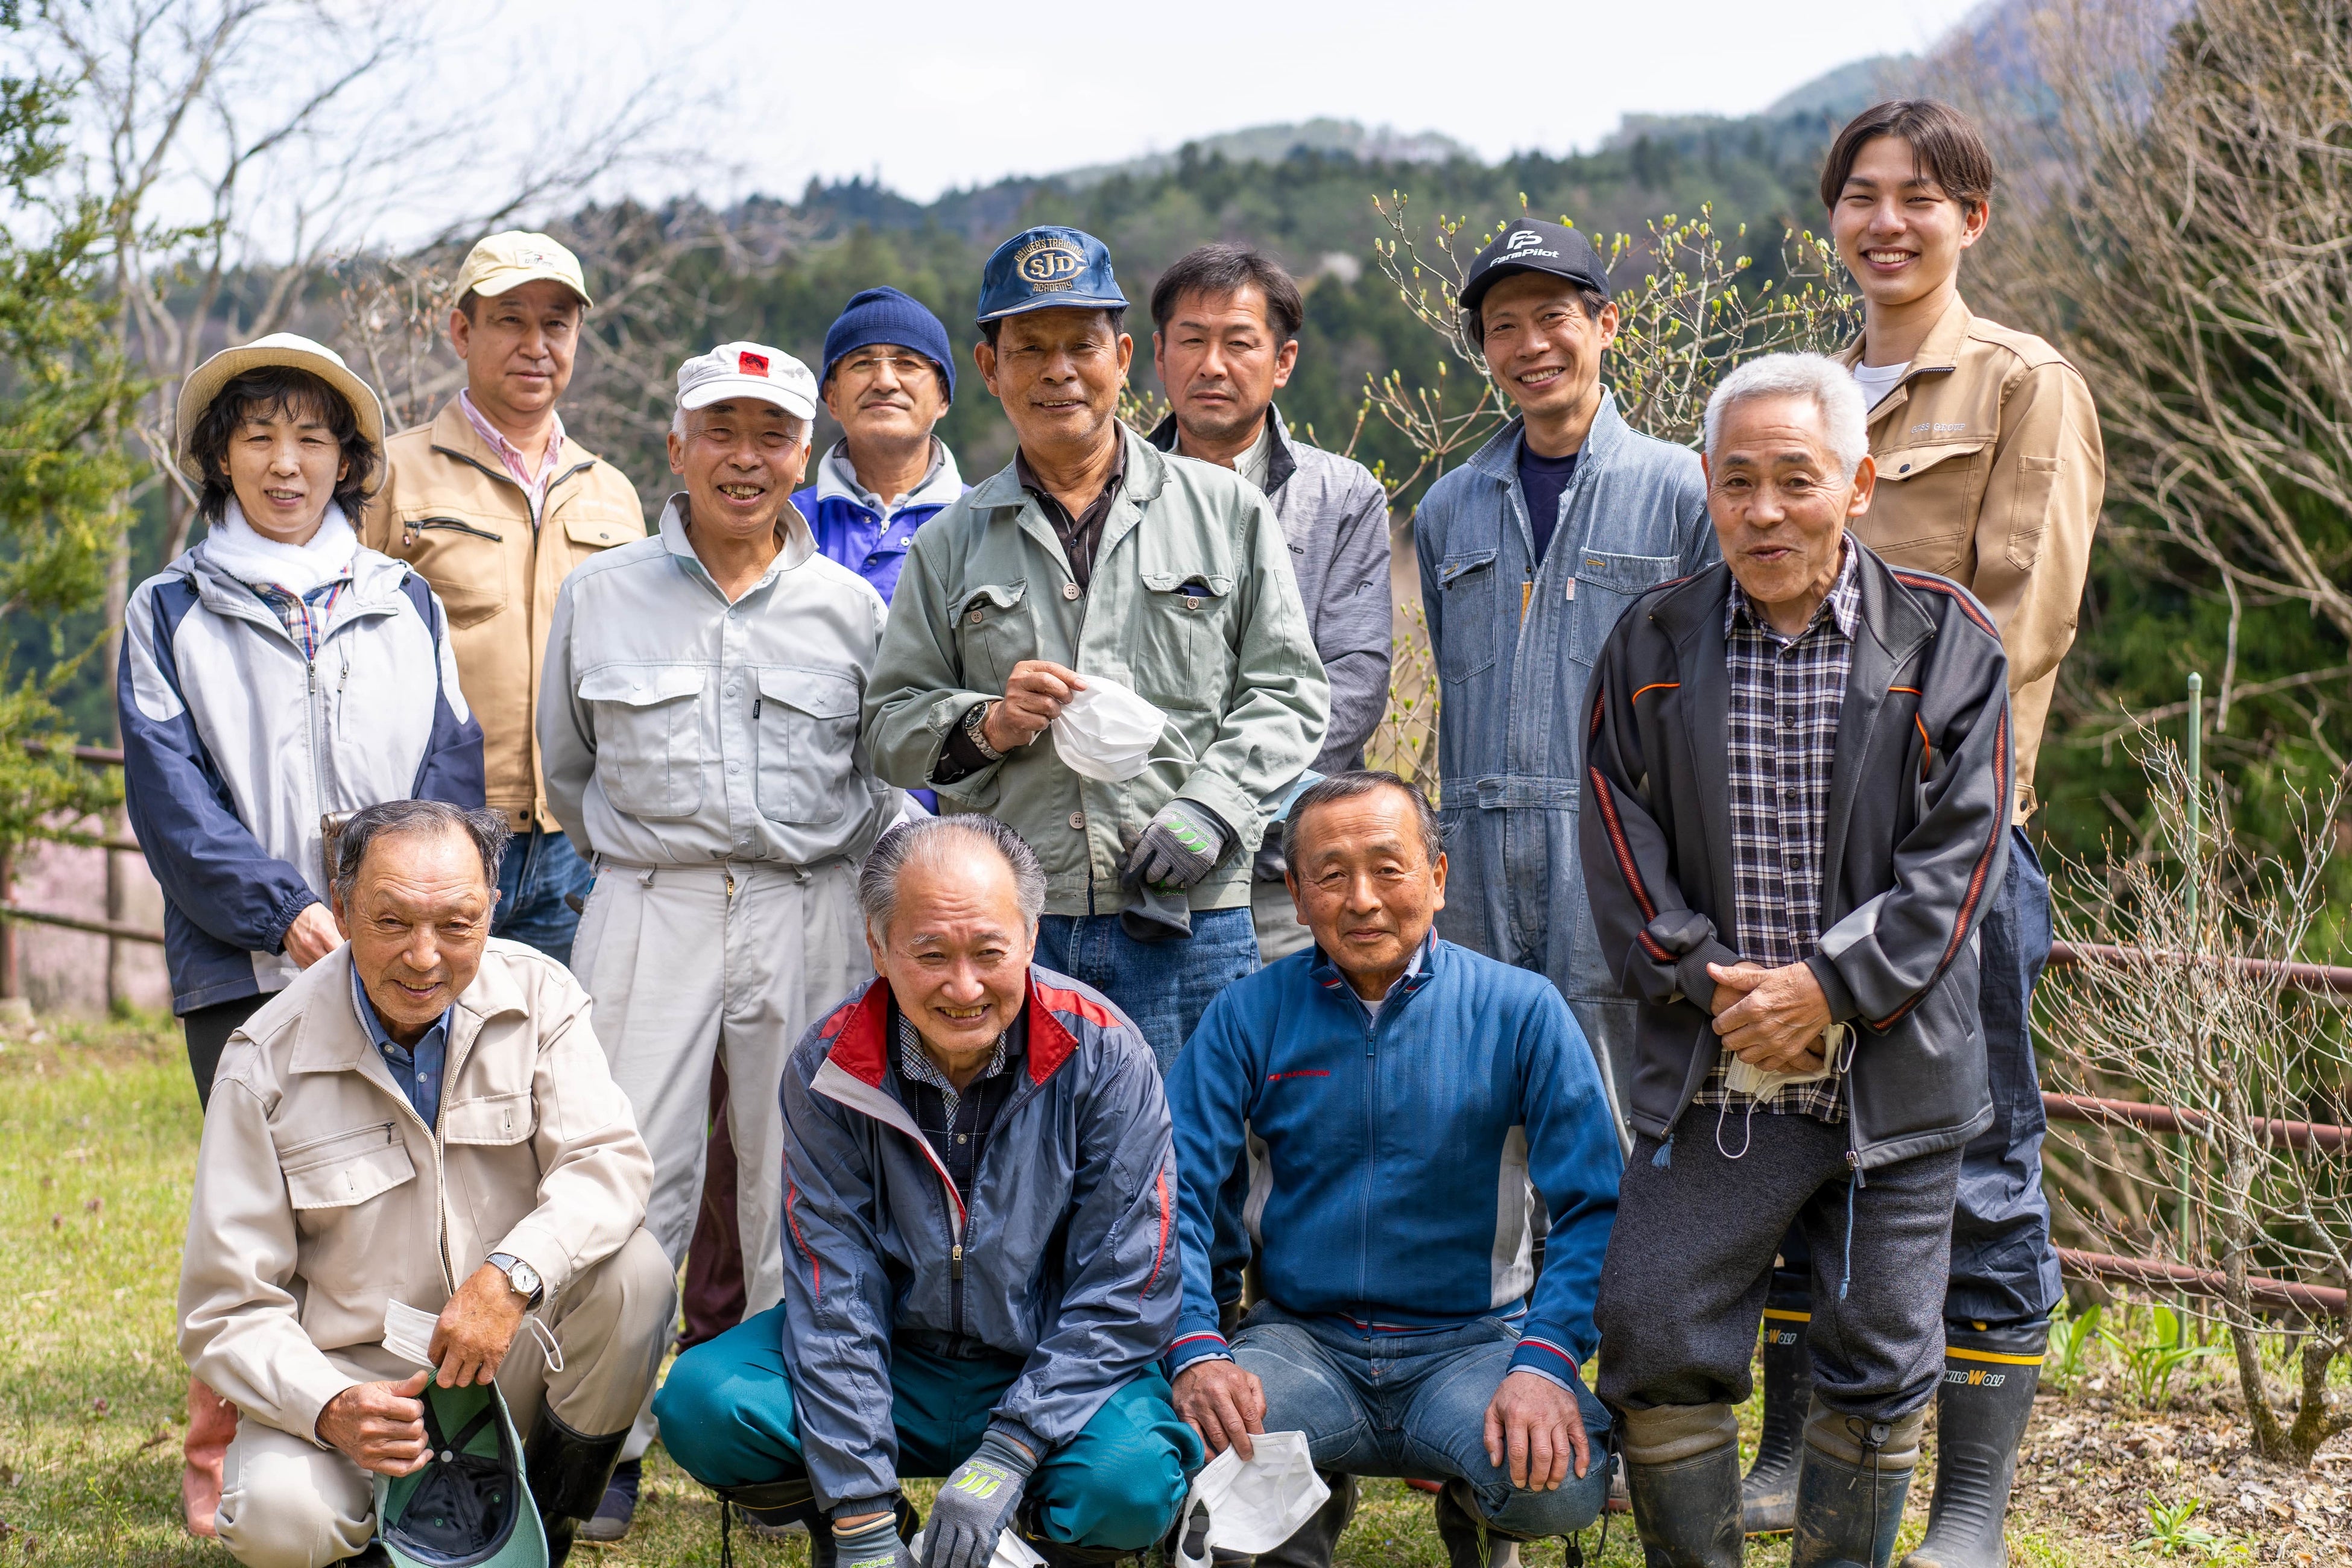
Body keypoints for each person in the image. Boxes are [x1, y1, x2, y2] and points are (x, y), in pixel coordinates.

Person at [1728, 102, 2106, 1564]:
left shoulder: (2021, 386)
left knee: (1982, 1156)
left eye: (1920, 199)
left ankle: (1968, 1506)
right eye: (1860, 197)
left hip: (1951, 856)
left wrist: (1908, 800)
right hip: (1785, 842)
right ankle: (1787, 1459)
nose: (1887, 223)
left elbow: (2021, 626)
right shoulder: (1801, 393)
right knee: (1792, 1145)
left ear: (1973, 219)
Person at [1579, 355, 2014, 1568]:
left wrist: (1830, 988)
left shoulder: (1944, 637)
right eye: (1737, 484)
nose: (1763, 511)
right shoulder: (1653, 639)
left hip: (1892, 1072)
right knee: (1652, 1317)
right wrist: (1709, 982)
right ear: (1709, 495)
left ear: (1859, 484)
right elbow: (1619, 835)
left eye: (1794, 480)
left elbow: (1961, 859)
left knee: (1878, 1349)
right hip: (1728, 1068)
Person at [119, 334, 484, 1538]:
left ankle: (409, 1448)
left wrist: (408, 908)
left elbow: (450, 765)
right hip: (246, 963)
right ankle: (229, 1464)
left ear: (349, 459)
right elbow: (172, 799)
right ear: (219, 457)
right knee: (259, 1209)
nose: (287, 462)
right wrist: (286, 909)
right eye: (259, 435)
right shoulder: (168, 608)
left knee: (386, 1197)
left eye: (313, 437)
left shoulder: (403, 599)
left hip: (399, 953)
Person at [538, 340, 903, 1540]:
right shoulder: (601, 594)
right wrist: (655, 876)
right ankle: (600, 1445)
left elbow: (885, 782)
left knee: (802, 1179)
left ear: (807, 454)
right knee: (621, 1173)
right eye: (722, 432)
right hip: (652, 898)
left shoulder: (853, 610)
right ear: (677, 445)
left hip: (809, 903)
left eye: (773, 436)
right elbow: (566, 766)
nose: (746, 459)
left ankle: (779, 1446)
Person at [654, 815, 1204, 1567]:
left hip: (1050, 1360)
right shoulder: (830, 1062)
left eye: (989, 951)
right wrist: (861, 1518)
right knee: (705, 1401)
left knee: (1128, 1480)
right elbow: (834, 1288)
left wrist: (1009, 1453)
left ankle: (1018, 1546)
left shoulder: (1105, 1051)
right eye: (931, 953)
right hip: (898, 1361)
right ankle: (875, 1524)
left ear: (1032, 935)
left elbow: (1128, 1286)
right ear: (879, 947)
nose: (964, 985)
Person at [863, 225, 1328, 1071]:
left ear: (1121, 356)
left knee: (1188, 1176)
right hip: (1014, 932)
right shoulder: (950, 542)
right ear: (990, 368)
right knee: (1022, 1178)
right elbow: (889, 726)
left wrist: (1212, 810)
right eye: (1029, 348)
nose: (1057, 370)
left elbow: (1289, 693)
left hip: (1189, 917)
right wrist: (990, 724)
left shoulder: (1225, 511)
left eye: (1081, 345)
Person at [176, 799, 674, 1568]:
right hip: (360, 1391)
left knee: (637, 1274)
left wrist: (512, 1277)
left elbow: (607, 1164)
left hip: (509, 1356)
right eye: (392, 922)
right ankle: (381, 1543)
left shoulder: (542, 1000)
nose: (424, 956)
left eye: (457, 923)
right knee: (281, 1520)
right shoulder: (264, 1062)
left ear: (493, 910)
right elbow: (225, 1305)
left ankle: (543, 1515)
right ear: (340, 910)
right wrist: (329, 1405)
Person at [1166, 773, 1622, 1568]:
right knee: (1179, 1452)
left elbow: (1596, 1206)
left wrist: (1546, 1360)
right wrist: (1199, 1344)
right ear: (1298, 898)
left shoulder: (1521, 1011)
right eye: (1332, 875)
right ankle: (1299, 1513)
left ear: (1438, 879)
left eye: (1389, 867)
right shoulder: (1249, 1014)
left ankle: (1478, 1514)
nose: (1363, 899)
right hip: (1301, 1344)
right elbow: (1171, 1193)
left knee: (1558, 1484)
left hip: (1472, 1345)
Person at [1412, 219, 1715, 1131]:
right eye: (1503, 327)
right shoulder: (1447, 507)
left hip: (1618, 856)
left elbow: (1712, 701)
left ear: (1607, 323)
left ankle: (1616, 1284)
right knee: (1481, 1119)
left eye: (1553, 317)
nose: (1530, 346)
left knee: (1615, 1120)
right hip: (1474, 862)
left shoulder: (1680, 491)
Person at [368, 230, 647, 969]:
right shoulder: (394, 474)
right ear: (462, 331)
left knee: (558, 1058)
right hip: (437, 833)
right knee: (431, 1054)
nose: (536, 344)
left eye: (556, 323)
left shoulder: (613, 493)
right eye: (510, 319)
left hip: (577, 845)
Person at [1143, 244, 1393, 964]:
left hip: (1287, 879)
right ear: (1158, 356)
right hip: (1149, 873)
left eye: (1239, 343)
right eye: (1191, 341)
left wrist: (1219, 807)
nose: (1212, 365)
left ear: (1282, 362)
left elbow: (1351, 687)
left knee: (1301, 1075)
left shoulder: (1341, 497)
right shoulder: (1113, 496)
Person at [791, 285, 969, 606]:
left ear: (943, 396)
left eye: (907, 363)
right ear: (831, 397)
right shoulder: (784, 525)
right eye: (862, 363)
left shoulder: (990, 523)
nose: (885, 381)